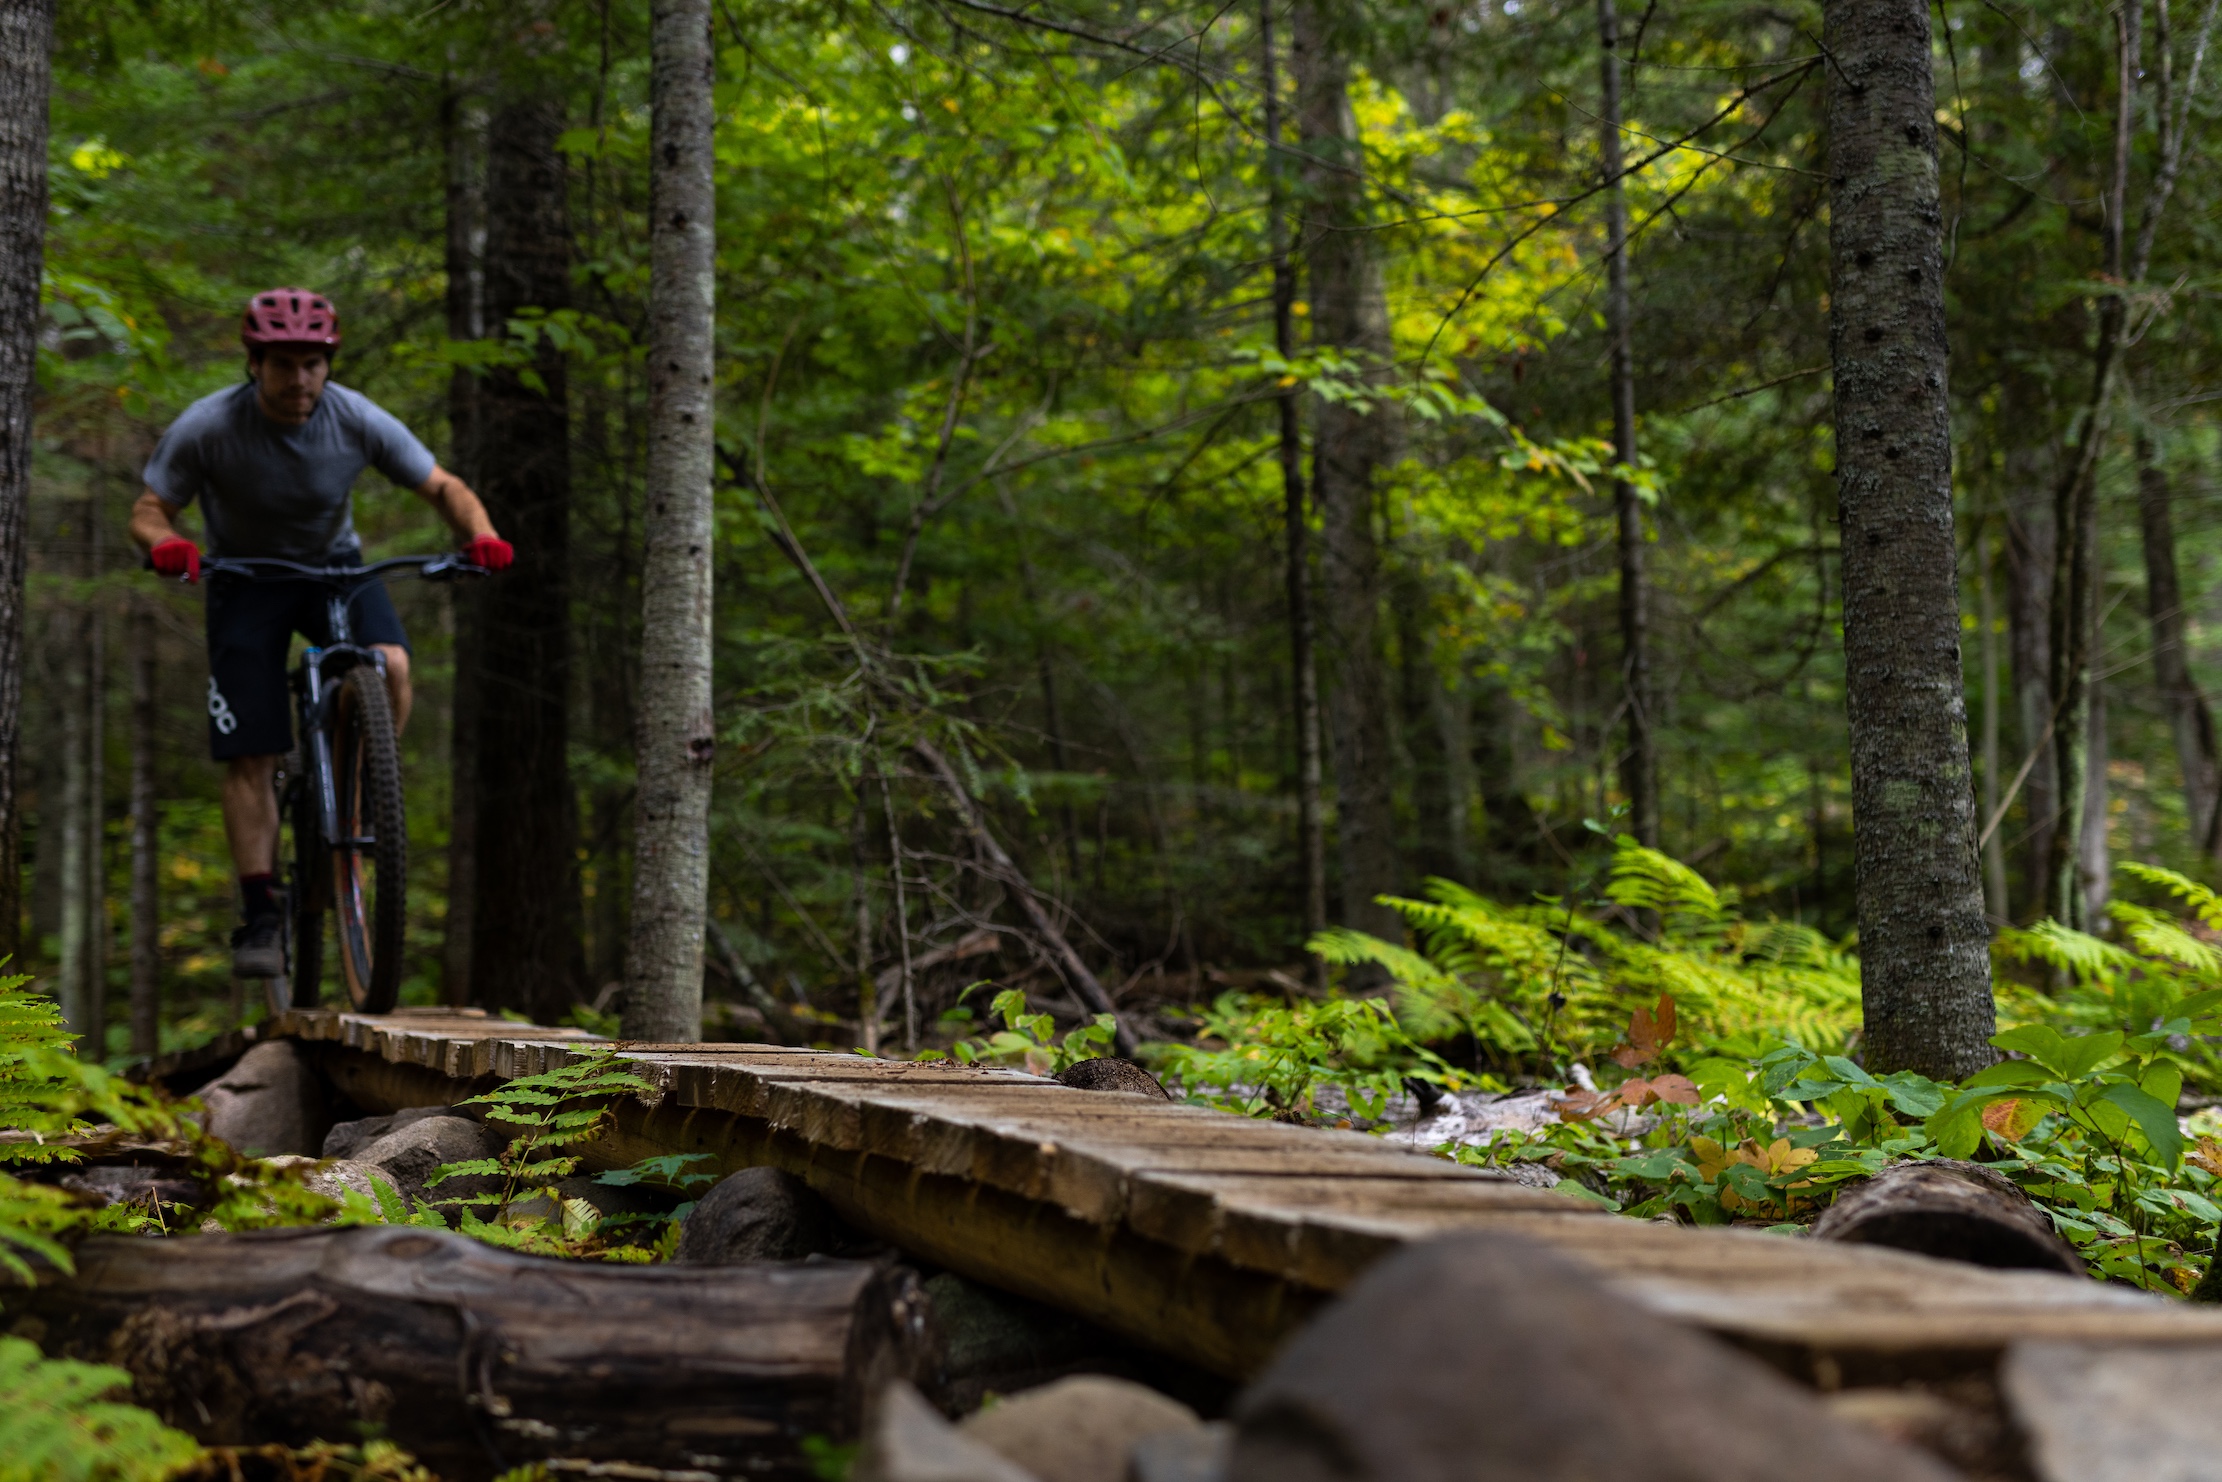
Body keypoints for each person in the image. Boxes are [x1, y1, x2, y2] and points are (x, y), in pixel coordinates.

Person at [126, 287, 512, 979]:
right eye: (284, 364)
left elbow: (444, 486)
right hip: (245, 579)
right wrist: (167, 546)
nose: (300, 379)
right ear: (255, 363)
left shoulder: (354, 417)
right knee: (251, 752)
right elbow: (151, 508)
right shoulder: (209, 426)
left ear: (328, 364)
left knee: (390, 664)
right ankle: (262, 911)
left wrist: (480, 536)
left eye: (313, 363)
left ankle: (363, 793)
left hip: (335, 571)